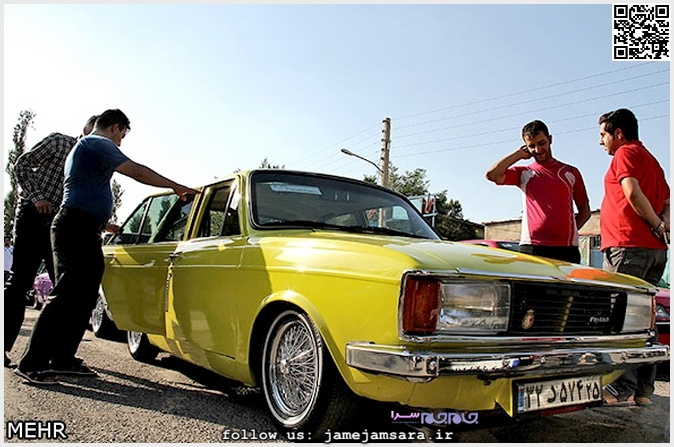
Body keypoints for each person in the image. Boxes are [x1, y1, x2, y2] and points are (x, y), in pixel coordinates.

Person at [14, 109, 199, 385]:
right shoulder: (96, 143)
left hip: (85, 228)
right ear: (115, 127)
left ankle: (63, 358)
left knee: (84, 297)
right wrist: (175, 186)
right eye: (122, 136)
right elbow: (136, 171)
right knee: (66, 295)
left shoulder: (88, 148)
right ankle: (31, 363)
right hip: (74, 228)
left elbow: (87, 190)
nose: (121, 142)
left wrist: (103, 223)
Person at [4, 116, 98, 368]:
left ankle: (60, 356)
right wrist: (37, 197)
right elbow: (21, 165)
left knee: (68, 288)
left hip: (61, 225)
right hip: (33, 216)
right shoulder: (59, 143)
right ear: (86, 129)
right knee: (20, 282)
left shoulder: (92, 162)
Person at [597, 108, 670, 408]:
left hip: (628, 247)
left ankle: (620, 388)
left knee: (622, 318)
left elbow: (631, 191)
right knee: (646, 321)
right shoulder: (652, 160)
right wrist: (663, 226)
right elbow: (668, 201)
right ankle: (644, 391)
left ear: (618, 134)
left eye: (603, 134)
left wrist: (655, 224)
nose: (600, 141)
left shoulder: (625, 153)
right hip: (655, 251)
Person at [485, 120, 591, 263]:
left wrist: (568, 232)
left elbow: (585, 211)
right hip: (533, 246)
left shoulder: (571, 172)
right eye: (532, 146)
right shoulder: (524, 173)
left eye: (542, 143)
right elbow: (492, 175)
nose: (538, 150)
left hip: (567, 248)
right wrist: (518, 155)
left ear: (550, 139)